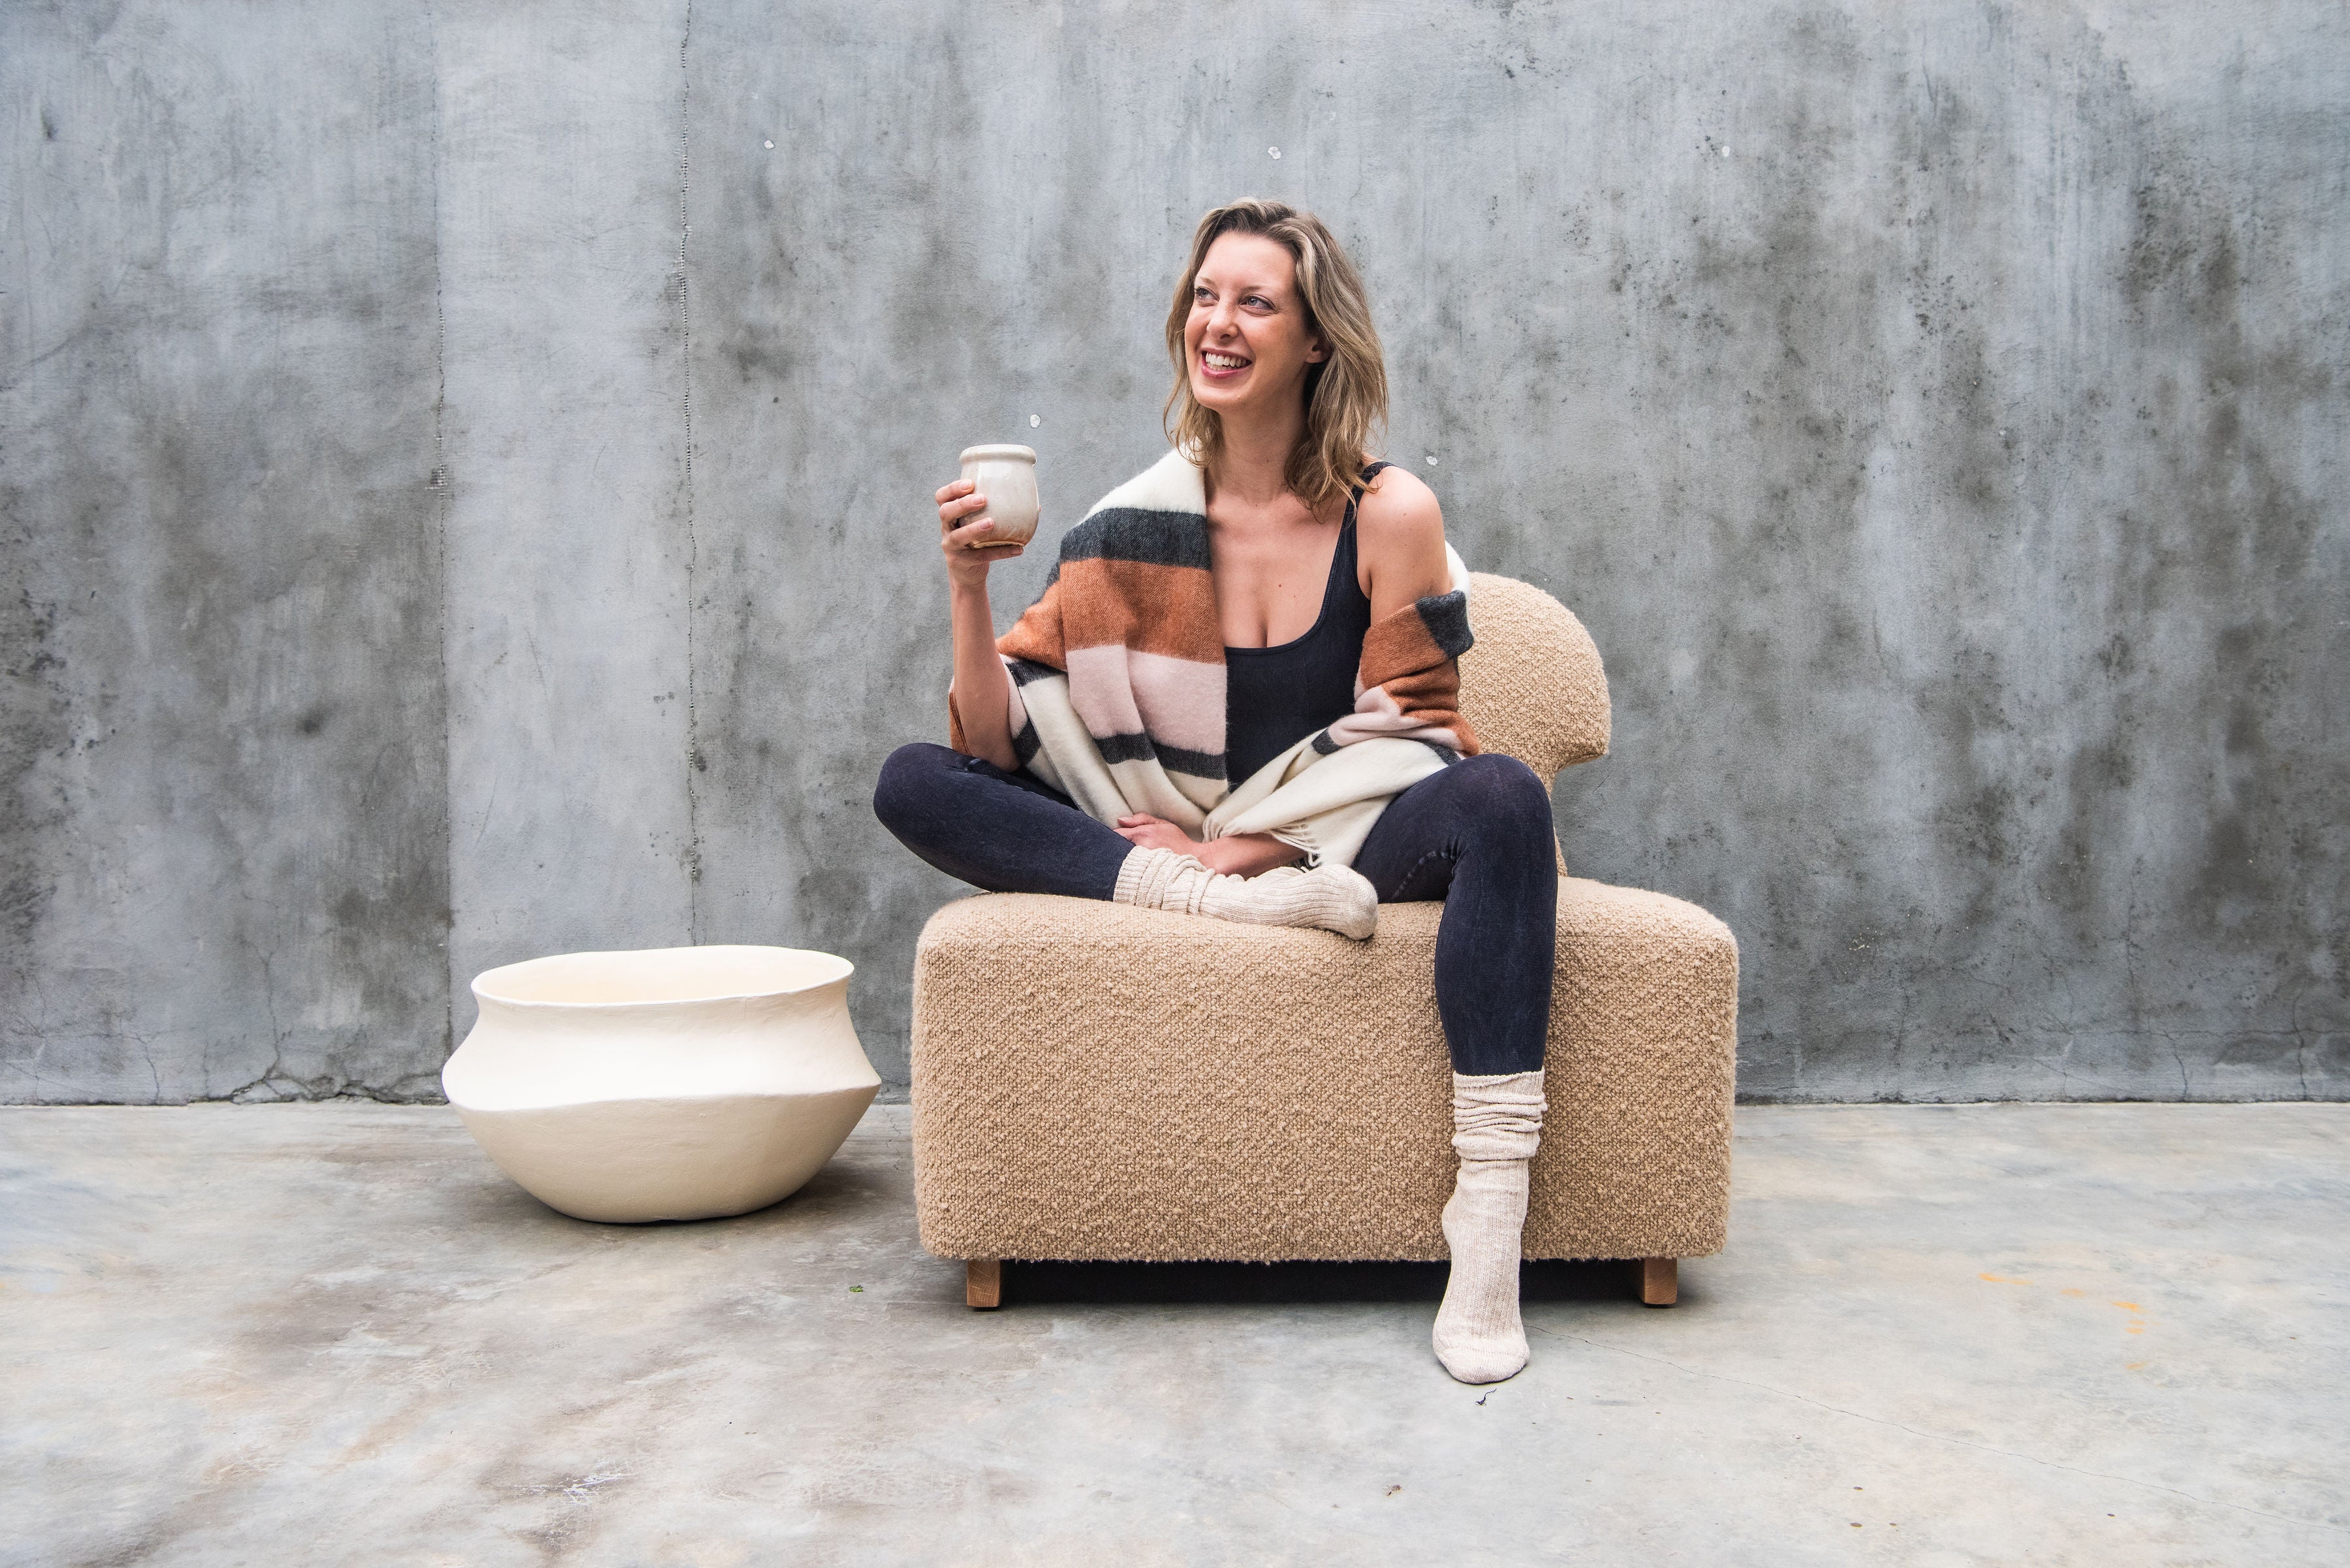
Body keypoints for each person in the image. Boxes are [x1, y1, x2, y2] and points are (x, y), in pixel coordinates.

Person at [874, 198, 1558, 1384]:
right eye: (1205, 296)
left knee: (1502, 795)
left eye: (1256, 301)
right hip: (1187, 861)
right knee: (913, 779)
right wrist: (970, 588)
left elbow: (1420, 729)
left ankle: (1487, 1215)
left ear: (1314, 340)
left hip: (1332, 844)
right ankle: (1181, 895)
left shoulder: (1389, 513)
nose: (1220, 324)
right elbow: (994, 748)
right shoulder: (1132, 526)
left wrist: (1266, 850)